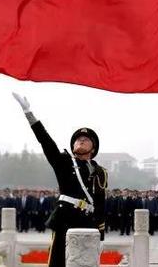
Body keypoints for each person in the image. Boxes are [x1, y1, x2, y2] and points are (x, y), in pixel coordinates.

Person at [12, 93, 107, 267]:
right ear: (73, 146)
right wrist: (28, 113)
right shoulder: (64, 162)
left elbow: (100, 204)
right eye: (78, 140)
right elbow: (45, 141)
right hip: (65, 218)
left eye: (86, 139)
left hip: (88, 222)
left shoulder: (100, 172)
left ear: (93, 149)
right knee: (58, 262)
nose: (81, 141)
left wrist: (101, 235)